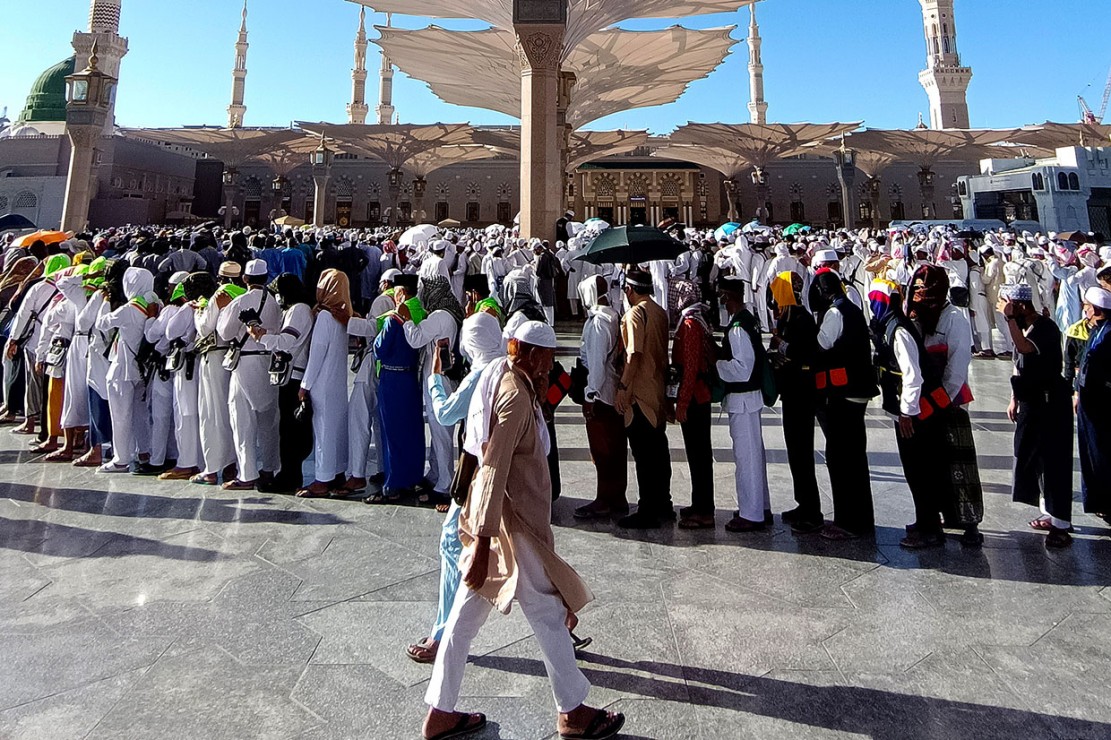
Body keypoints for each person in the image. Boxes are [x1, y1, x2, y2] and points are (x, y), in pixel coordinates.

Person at [422, 320, 624, 740]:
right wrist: (480, 542)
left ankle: (440, 712)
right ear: (531, 355)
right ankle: (573, 711)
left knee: (462, 618)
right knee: (548, 614)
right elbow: (493, 466)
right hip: (509, 529)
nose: (551, 369)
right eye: (547, 360)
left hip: (503, 523)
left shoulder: (514, 382)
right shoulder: (514, 395)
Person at [406, 309, 506, 665]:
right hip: (509, 470)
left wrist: (435, 378)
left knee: (451, 542)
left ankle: (443, 631)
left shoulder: (480, 372)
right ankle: (562, 621)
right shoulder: (506, 366)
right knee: (526, 554)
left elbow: (447, 413)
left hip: (480, 471)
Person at [907, 264, 985, 548]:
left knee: (958, 466)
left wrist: (936, 403)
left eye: (922, 290)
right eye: (914, 289)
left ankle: (970, 522)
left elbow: (956, 369)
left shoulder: (954, 319)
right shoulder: (919, 317)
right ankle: (933, 516)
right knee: (931, 465)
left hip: (949, 404)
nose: (917, 295)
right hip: (924, 403)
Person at [870, 279, 949, 549]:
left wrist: (907, 413)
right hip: (906, 411)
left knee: (920, 469)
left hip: (915, 414)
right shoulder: (891, 325)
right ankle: (925, 519)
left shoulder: (899, 331)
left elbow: (913, 375)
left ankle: (929, 529)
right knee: (915, 469)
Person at [1000, 284, 1074, 548]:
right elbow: (1017, 362)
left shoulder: (1045, 328)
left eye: (1010, 306)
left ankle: (1062, 524)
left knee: (1053, 461)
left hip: (1050, 404)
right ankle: (1048, 512)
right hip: (1031, 401)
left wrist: (1009, 320)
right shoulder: (1028, 327)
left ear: (1020, 306)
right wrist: (1014, 398)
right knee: (1033, 457)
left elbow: (1023, 347)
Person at [811, 268, 878, 540]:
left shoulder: (835, 313)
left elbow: (821, 344)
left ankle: (848, 522)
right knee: (854, 457)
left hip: (844, 391)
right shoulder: (851, 307)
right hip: (858, 389)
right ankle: (860, 518)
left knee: (841, 457)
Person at [614, 270, 674, 529]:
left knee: (644, 454)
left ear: (630, 290)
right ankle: (663, 503)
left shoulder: (635, 314)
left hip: (640, 394)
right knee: (659, 451)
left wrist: (623, 386)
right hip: (657, 390)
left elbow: (633, 354)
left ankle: (647, 509)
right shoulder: (659, 311)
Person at [218, 259, 282, 490]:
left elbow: (225, 332)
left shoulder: (240, 301)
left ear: (244, 278)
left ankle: (247, 474)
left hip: (245, 361)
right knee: (269, 420)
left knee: (242, 420)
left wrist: (224, 310)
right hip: (268, 359)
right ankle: (269, 469)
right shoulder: (275, 302)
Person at [768, 271, 823, 533]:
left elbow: (805, 353)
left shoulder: (801, 319)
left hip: (802, 393)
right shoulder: (788, 318)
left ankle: (812, 511)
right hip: (791, 392)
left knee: (802, 450)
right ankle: (803, 503)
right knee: (794, 451)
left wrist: (781, 347)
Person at [715, 275, 771, 532]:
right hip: (749, 400)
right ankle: (761, 507)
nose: (722, 303)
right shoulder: (748, 321)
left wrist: (716, 364)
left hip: (744, 400)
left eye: (723, 297)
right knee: (754, 457)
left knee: (746, 459)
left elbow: (743, 368)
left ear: (729, 297)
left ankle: (751, 514)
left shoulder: (738, 327)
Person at [404, 275, 464, 505]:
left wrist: (407, 319)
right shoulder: (450, 312)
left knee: (440, 433)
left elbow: (416, 339)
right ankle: (436, 473)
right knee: (440, 430)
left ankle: (445, 483)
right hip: (443, 376)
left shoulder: (440, 316)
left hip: (439, 377)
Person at [572, 275, 627, 520]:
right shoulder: (614, 316)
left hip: (601, 392)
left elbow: (595, 364)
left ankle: (605, 499)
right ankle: (617, 497)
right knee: (615, 448)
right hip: (613, 387)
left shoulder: (597, 323)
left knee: (602, 449)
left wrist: (590, 395)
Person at [253, 273, 314, 493]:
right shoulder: (299, 309)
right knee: (288, 429)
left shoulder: (298, 310)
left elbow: (287, 341)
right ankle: (288, 473)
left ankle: (289, 477)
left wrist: (261, 338)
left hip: (292, 376)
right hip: (292, 375)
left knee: (290, 430)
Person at [95, 267, 157, 473]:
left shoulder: (129, 308)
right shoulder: (155, 303)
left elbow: (102, 324)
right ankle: (144, 451)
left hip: (122, 368)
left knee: (120, 414)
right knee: (141, 414)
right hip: (143, 369)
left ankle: (121, 458)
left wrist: (105, 301)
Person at [297, 269, 353, 497]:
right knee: (337, 430)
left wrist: (305, 385)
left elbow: (317, 354)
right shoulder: (345, 314)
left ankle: (323, 478)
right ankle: (338, 472)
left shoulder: (324, 317)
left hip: (322, 383)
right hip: (338, 382)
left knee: (323, 432)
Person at [371, 274, 426, 501]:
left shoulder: (395, 317)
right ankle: (412, 477)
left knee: (392, 432)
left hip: (392, 378)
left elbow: (379, 349)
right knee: (412, 430)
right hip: (411, 376)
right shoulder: (421, 312)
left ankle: (393, 484)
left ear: (402, 292)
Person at [192, 262, 244, 485]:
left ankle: (211, 468)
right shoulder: (245, 294)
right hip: (236, 356)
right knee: (232, 413)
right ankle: (232, 465)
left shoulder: (218, 295)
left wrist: (200, 310)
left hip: (214, 355)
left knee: (211, 412)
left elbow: (204, 328)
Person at [671, 281, 717, 530]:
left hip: (696, 397)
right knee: (697, 453)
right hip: (698, 395)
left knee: (698, 454)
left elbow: (690, 368)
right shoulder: (695, 320)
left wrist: (682, 402)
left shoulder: (690, 325)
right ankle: (699, 503)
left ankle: (704, 510)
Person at [1076, 285, 1111, 524]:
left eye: (1088, 307)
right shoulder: (1095, 331)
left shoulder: (1108, 335)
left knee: (1102, 451)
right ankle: (1099, 500)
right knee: (1092, 450)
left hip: (1102, 401)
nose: (1085, 310)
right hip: (1089, 398)